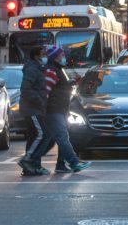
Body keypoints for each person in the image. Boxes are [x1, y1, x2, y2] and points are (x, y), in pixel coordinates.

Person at [35, 45, 91, 173]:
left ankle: (59, 164)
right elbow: (46, 91)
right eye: (61, 55)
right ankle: (74, 162)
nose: (63, 57)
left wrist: (68, 83)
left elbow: (57, 87)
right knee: (62, 137)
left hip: (60, 109)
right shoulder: (51, 70)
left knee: (55, 138)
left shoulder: (57, 69)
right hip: (54, 110)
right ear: (55, 57)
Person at [17, 46, 51, 176]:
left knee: (33, 136)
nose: (45, 56)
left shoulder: (37, 68)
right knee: (42, 134)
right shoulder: (32, 69)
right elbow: (26, 89)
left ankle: (32, 167)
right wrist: (40, 101)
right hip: (32, 109)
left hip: (34, 108)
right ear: (36, 56)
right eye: (43, 54)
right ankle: (28, 160)